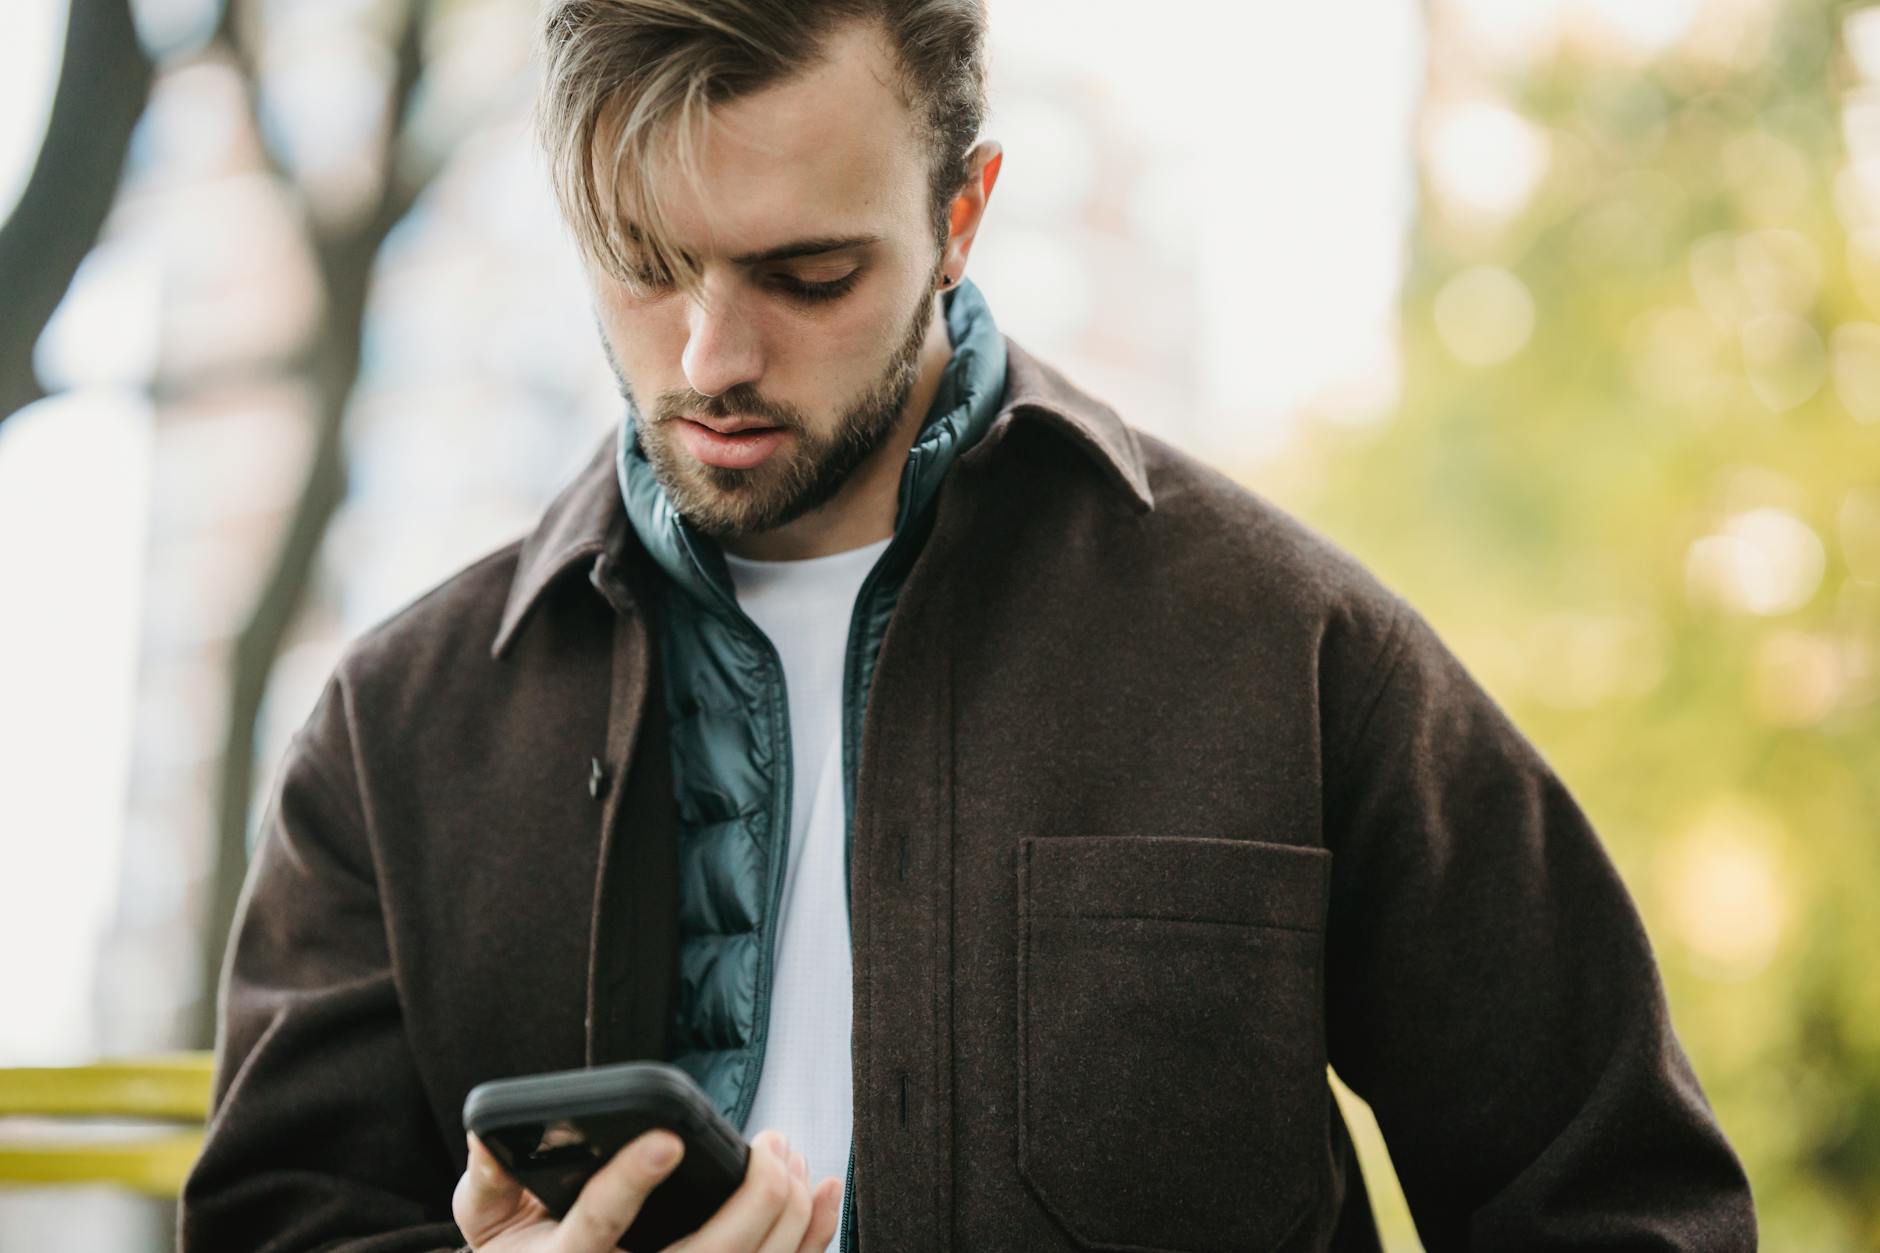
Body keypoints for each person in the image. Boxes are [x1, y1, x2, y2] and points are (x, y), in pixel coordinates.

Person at [179, 1, 1758, 1250]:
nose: (711, 354)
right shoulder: (394, 733)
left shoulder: (1292, 651)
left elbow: (1625, 1200)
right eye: (646, 266)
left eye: (806, 273)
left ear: (964, 214)